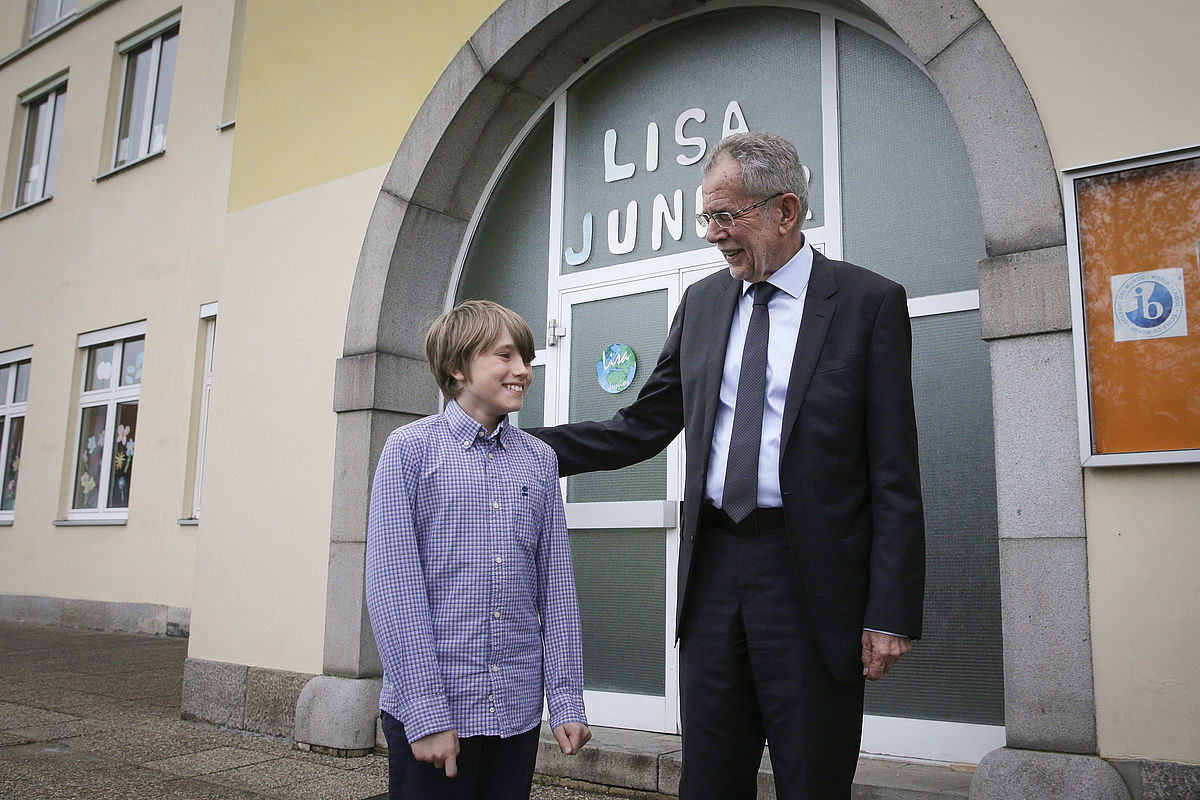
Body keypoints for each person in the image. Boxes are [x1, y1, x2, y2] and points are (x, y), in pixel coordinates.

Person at [530, 132, 925, 799]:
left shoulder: (868, 304)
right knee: (709, 781)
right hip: (713, 572)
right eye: (706, 218)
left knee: (813, 780)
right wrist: (522, 448)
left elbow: (894, 472)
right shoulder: (704, 303)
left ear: (785, 210)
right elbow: (641, 426)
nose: (713, 234)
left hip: (811, 582)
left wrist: (891, 610)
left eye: (725, 216)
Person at [365, 300, 591, 800]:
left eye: (526, 358)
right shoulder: (410, 450)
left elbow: (556, 588)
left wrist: (566, 698)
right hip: (437, 712)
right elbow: (394, 591)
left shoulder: (539, 460)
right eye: (506, 356)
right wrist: (426, 714)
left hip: (515, 713)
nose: (523, 370)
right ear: (457, 367)